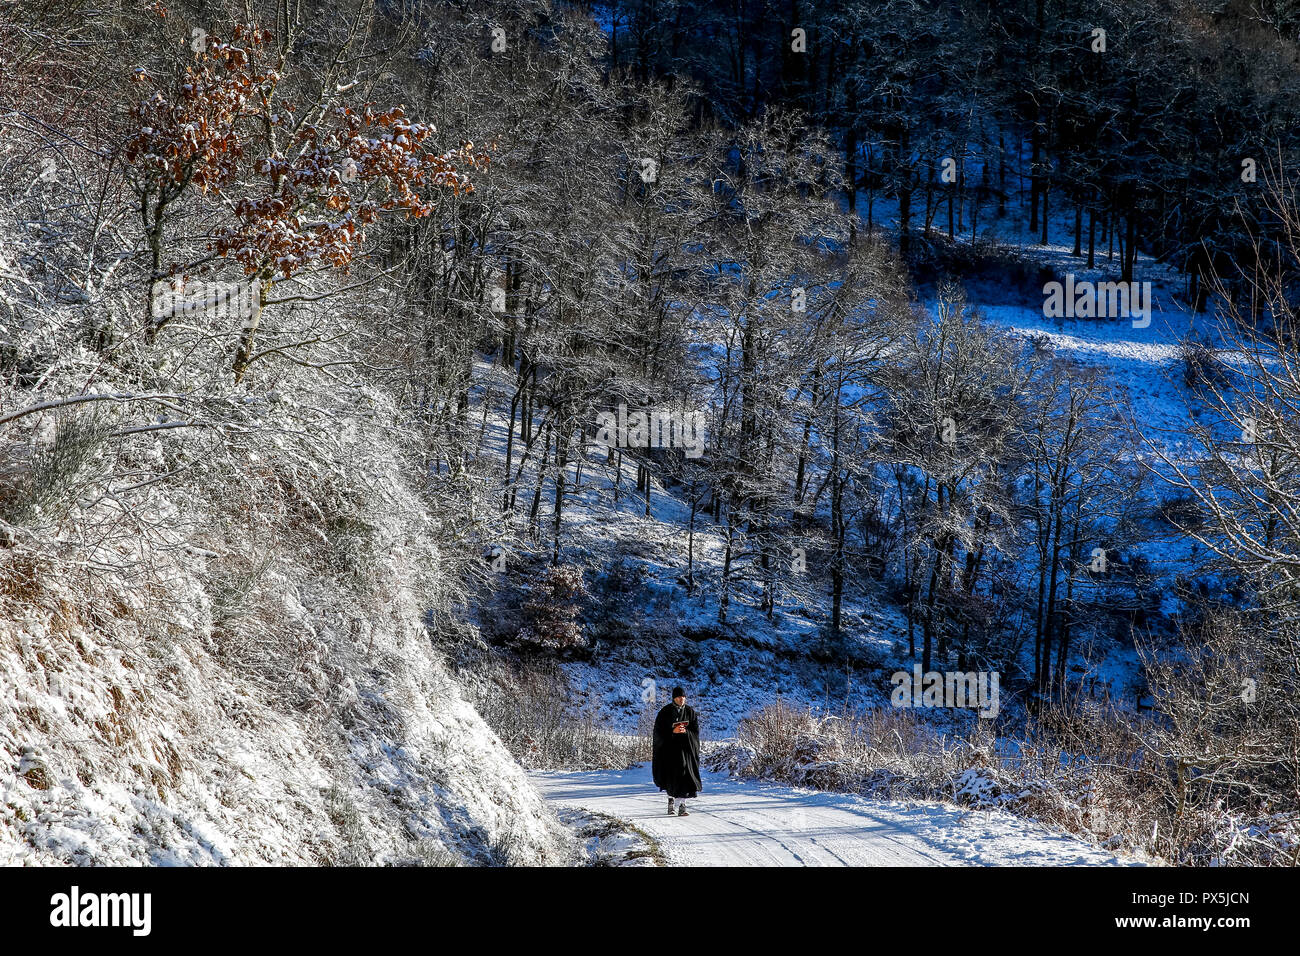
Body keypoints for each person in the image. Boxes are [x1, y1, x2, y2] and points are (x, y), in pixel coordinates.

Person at [652, 685, 702, 816]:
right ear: (674, 698)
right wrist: (672, 731)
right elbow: (658, 732)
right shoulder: (665, 712)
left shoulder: (690, 712)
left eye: (684, 697)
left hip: (685, 751)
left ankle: (682, 806)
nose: (682, 699)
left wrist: (686, 732)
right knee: (671, 778)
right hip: (669, 752)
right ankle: (671, 802)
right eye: (679, 697)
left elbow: (695, 732)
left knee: (685, 777)